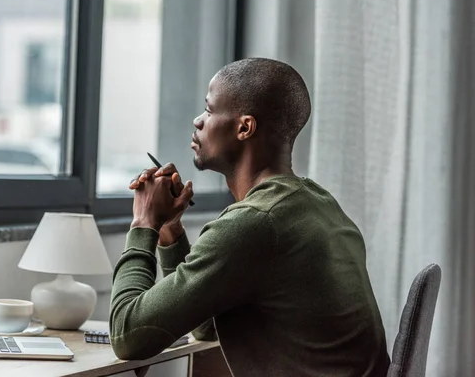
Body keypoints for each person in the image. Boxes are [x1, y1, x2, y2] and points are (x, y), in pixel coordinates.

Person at [109, 58, 390, 376]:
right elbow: (207, 326)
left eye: (210, 109)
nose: (198, 121)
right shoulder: (316, 202)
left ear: (245, 127)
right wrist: (170, 231)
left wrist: (143, 224)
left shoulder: (256, 223)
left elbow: (127, 335)